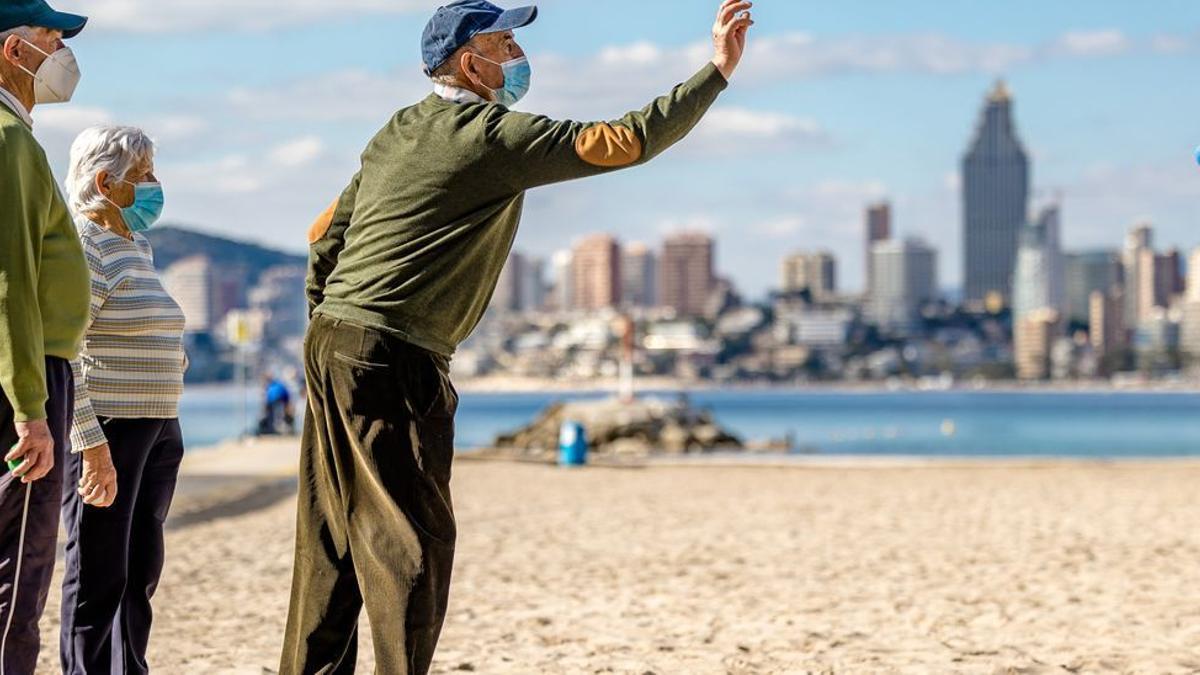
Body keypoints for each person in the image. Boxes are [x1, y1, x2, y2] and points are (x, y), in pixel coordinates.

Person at [281, 0, 754, 672]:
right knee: (410, 542)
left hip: (335, 340)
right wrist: (717, 71)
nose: (518, 57)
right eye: (505, 43)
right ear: (470, 62)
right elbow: (622, 140)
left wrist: (324, 322)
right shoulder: (486, 134)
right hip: (392, 349)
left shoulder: (398, 129)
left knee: (330, 540)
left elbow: (322, 232)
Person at [57, 125, 187, 674]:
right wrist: (92, 446)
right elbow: (66, 353)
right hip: (110, 428)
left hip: (158, 427)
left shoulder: (136, 245)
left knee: (139, 572)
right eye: (144, 175)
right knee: (98, 575)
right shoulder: (84, 246)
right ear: (107, 183)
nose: (156, 184)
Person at [0, 2, 91, 672]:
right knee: (18, 572)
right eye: (51, 39)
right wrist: (29, 409)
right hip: (27, 375)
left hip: (28, 368)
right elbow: (11, 283)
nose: (61, 53)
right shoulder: (9, 140)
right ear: (13, 51)